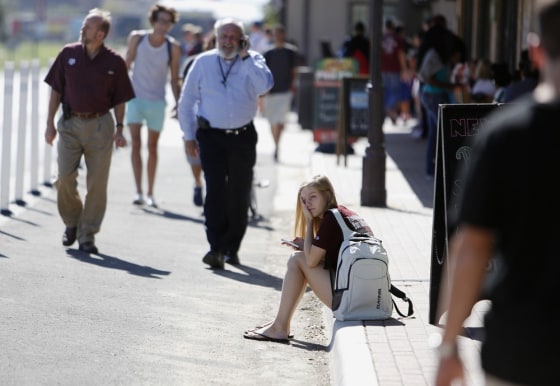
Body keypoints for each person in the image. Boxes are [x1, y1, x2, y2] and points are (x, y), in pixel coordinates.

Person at [434, 2, 560, 385]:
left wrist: (450, 344)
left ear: (534, 51)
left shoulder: (505, 135)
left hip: (523, 347)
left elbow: (471, 245)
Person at [177, 18, 273, 269]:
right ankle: (216, 247)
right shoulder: (203, 62)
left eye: (234, 36)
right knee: (215, 191)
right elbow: (186, 102)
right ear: (216, 38)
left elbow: (265, 86)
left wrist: (245, 57)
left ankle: (232, 247)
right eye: (224, 36)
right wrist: (188, 135)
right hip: (212, 137)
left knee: (239, 194)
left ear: (243, 39)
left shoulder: (253, 60)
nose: (228, 41)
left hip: (243, 136)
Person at [44, 8, 135, 254]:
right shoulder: (68, 53)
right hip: (70, 124)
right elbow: (56, 91)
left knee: (97, 184)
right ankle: (72, 222)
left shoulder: (114, 62)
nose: (83, 28)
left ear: (101, 34)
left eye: (88, 26)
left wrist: (119, 128)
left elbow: (120, 100)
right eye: (84, 25)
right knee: (64, 178)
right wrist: (49, 123)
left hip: (100, 127)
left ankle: (87, 235)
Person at [243, 175, 373, 343]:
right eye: (304, 200)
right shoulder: (344, 214)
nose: (307, 204)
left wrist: (310, 222)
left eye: (313, 197)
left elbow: (311, 262)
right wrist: (307, 245)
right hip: (366, 298)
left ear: (327, 195)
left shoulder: (330, 220)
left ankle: (279, 327)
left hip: (350, 304)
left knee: (297, 260)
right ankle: (280, 323)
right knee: (301, 257)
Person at [124, 4, 182, 208]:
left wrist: (179, 103)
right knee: (136, 144)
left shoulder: (172, 46)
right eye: (160, 20)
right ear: (153, 21)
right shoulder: (137, 38)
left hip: (157, 101)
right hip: (135, 98)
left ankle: (150, 193)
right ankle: (138, 191)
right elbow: (126, 66)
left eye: (168, 22)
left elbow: (174, 78)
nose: (163, 25)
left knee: (153, 147)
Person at [178, 31, 216, 207]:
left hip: (219, 121)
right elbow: (184, 93)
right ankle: (198, 183)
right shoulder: (194, 63)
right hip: (196, 120)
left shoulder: (234, 66)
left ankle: (213, 189)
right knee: (195, 158)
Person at [262, 24, 299, 162]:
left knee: (281, 121)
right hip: (271, 91)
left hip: (285, 91)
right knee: (272, 121)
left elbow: (294, 71)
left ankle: (278, 145)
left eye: (279, 33)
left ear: (283, 34)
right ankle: (275, 144)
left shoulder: (291, 52)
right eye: (275, 33)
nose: (277, 36)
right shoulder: (268, 53)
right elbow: (264, 72)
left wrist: (292, 86)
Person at [381, 19, 409, 124]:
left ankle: (389, 111)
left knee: (385, 91)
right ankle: (390, 110)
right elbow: (401, 54)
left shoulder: (380, 38)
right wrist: (404, 69)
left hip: (382, 69)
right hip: (395, 69)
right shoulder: (398, 39)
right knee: (395, 91)